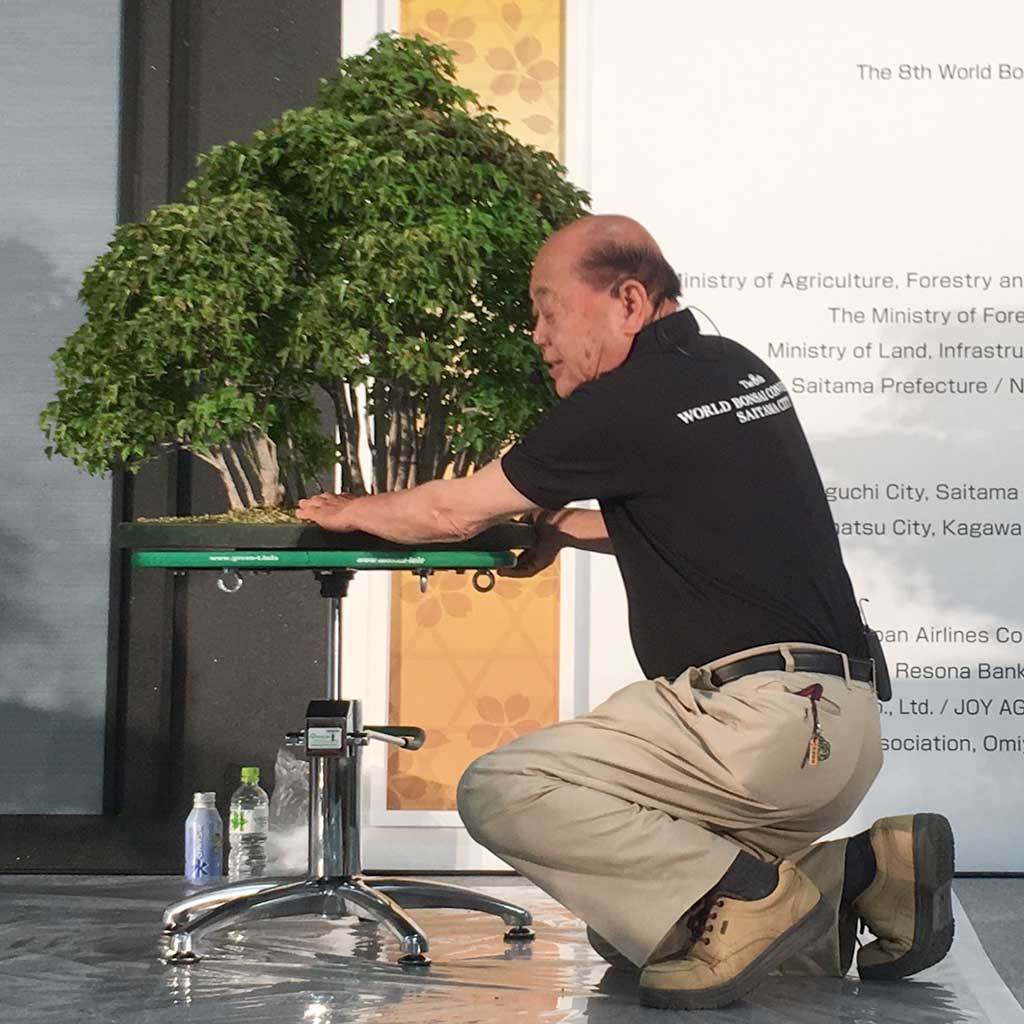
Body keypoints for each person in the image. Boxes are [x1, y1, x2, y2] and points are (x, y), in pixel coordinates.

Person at [296, 215, 954, 1010]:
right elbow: (693, 519)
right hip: (840, 730)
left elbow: (449, 514)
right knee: (634, 924)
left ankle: (753, 900)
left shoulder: (622, 403)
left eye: (548, 311)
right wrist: (560, 529)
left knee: (503, 788)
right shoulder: (733, 370)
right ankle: (868, 873)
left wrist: (348, 510)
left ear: (630, 302)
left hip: (757, 730)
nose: (537, 335)